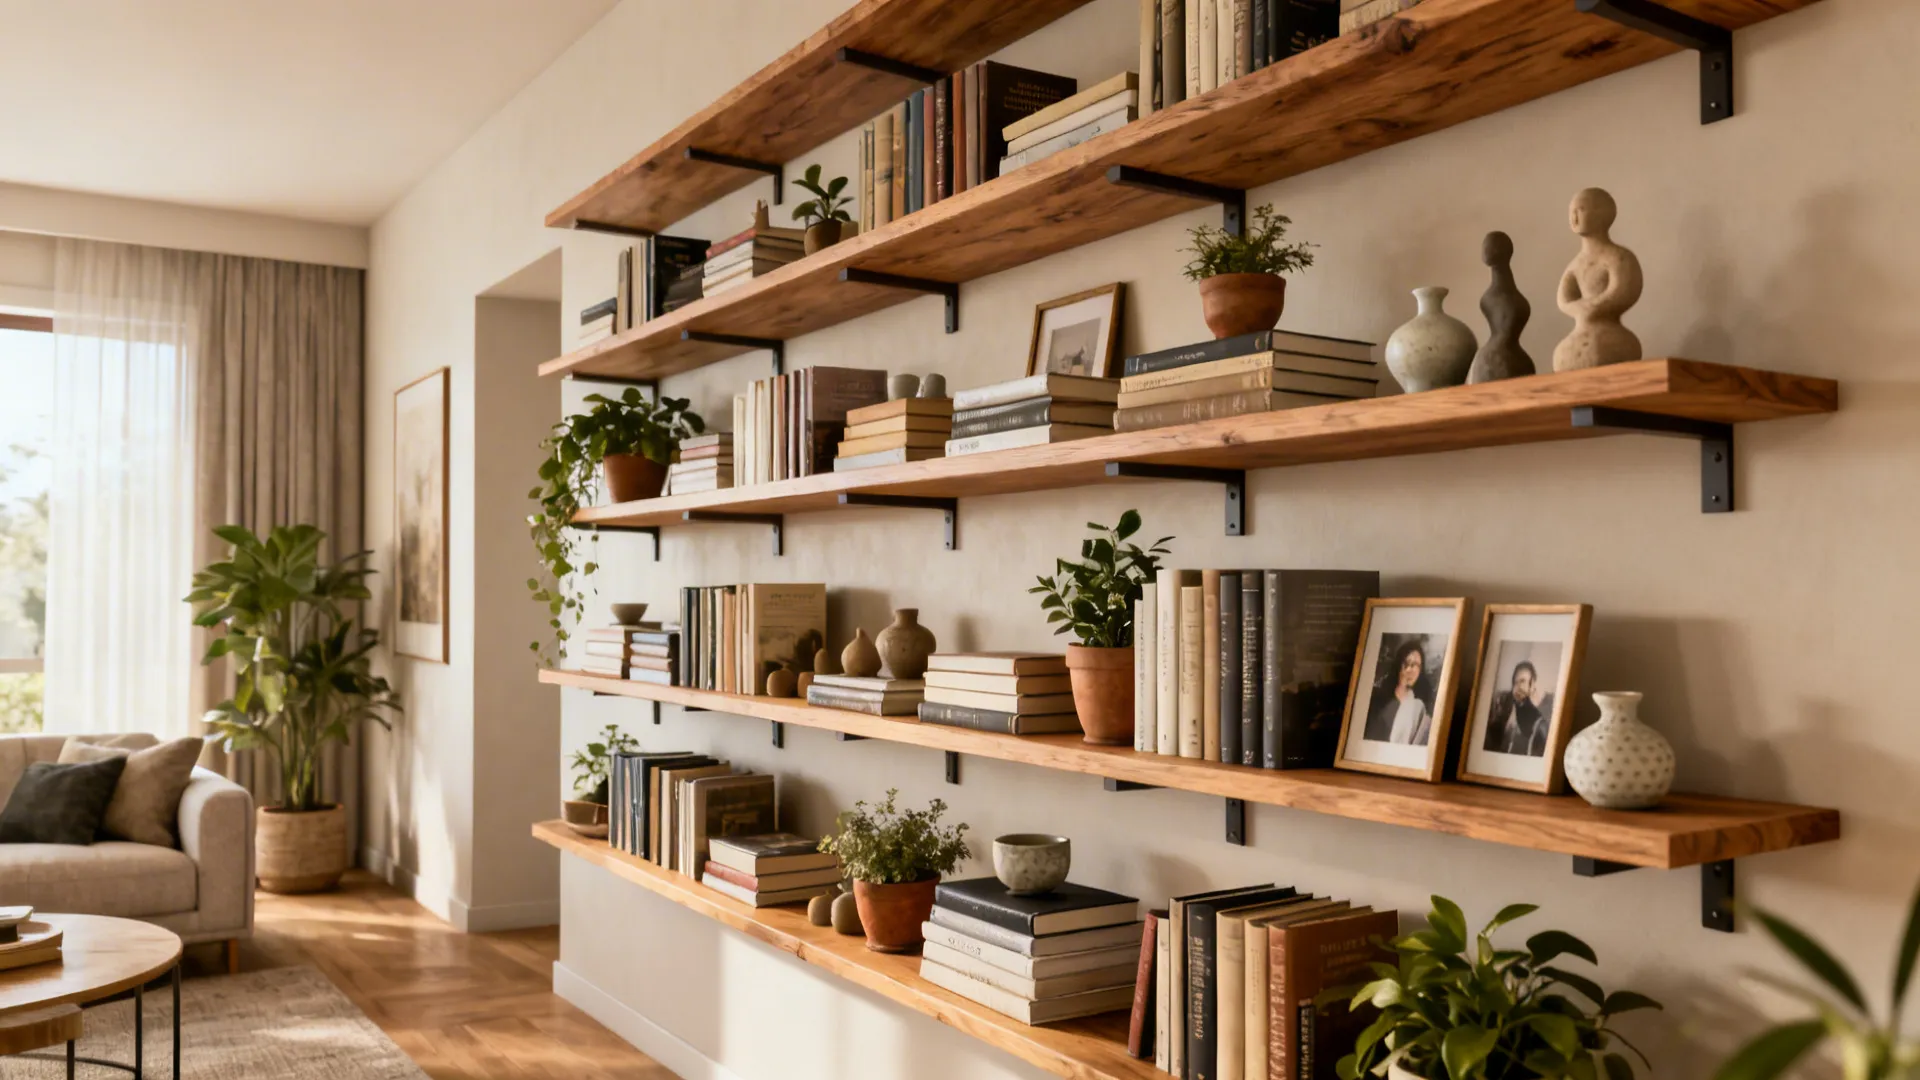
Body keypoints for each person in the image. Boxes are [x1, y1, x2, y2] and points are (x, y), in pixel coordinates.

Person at [1364, 638, 1432, 746]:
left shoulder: (1419, 707)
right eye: (1406, 663)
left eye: (1416, 665)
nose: (1410, 670)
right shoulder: (1379, 700)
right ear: (1399, 665)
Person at [1483, 660, 1553, 757]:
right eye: (1515, 683)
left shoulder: (1545, 707)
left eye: (1523, 681)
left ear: (1533, 684)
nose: (1519, 686)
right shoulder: (1507, 706)